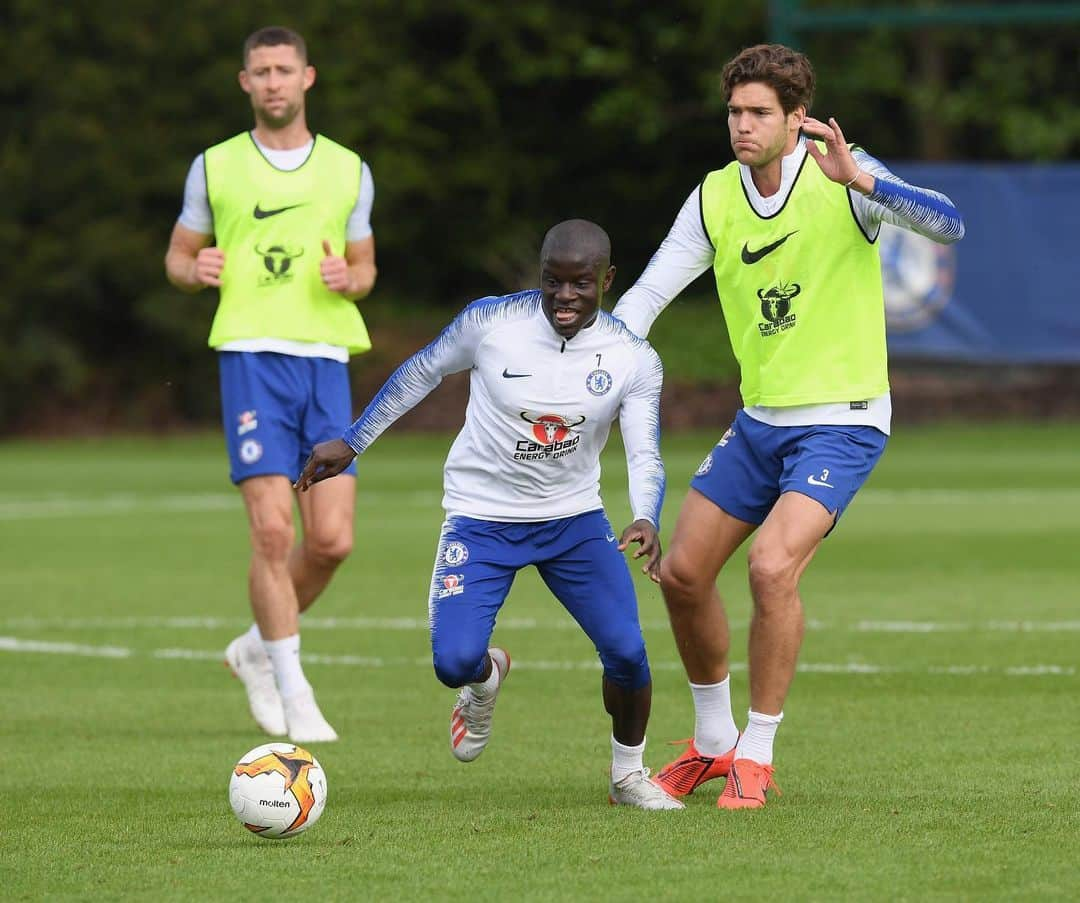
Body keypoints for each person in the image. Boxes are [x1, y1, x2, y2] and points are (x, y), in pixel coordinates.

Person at [612, 44, 965, 808]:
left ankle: (758, 753)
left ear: (796, 118)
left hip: (844, 421)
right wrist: (594, 360)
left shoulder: (845, 174)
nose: (741, 125)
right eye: (734, 111)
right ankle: (712, 743)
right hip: (760, 422)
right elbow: (645, 296)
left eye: (758, 112)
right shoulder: (713, 196)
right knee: (680, 573)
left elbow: (950, 224)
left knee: (772, 568)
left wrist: (863, 180)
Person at [295, 219, 682, 809]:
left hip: (573, 524)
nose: (565, 298)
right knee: (452, 662)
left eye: (581, 284)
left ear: (607, 280)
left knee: (628, 652)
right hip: (480, 518)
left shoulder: (633, 358)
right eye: (553, 282)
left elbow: (645, 449)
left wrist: (646, 516)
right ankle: (484, 680)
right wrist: (353, 441)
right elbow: (421, 370)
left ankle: (628, 776)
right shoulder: (491, 322)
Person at [164, 26, 378, 743]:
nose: (275, 81)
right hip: (252, 357)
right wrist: (192, 271)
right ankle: (293, 687)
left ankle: (255, 648)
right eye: (262, 71)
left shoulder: (349, 168)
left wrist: (354, 278)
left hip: (325, 362)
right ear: (245, 83)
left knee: (333, 539)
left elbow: (366, 267)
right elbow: (178, 254)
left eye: (285, 69)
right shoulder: (215, 166)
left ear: (308, 77)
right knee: (272, 529)